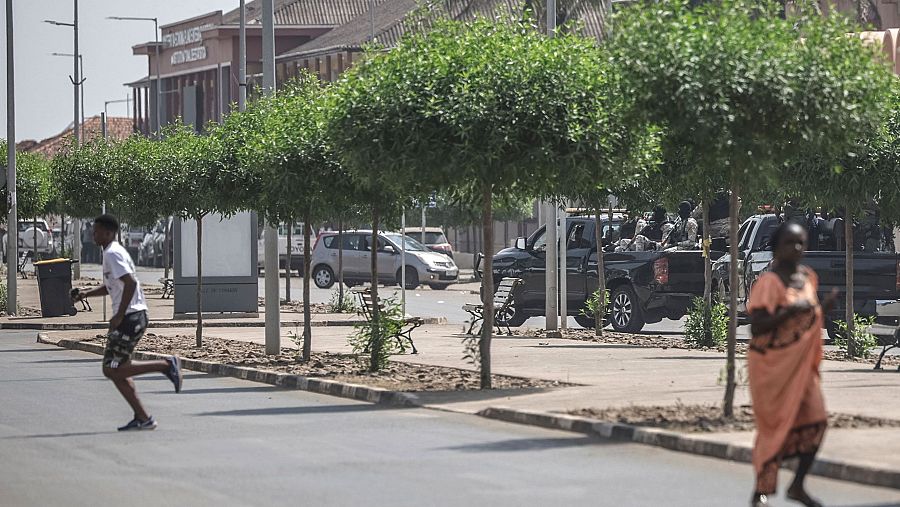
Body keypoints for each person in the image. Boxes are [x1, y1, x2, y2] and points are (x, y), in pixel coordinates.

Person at [746, 222, 836, 507]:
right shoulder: (768, 283)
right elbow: (757, 327)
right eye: (789, 243)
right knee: (774, 426)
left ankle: (797, 485)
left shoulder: (808, 277)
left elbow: (809, 317)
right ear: (776, 247)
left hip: (801, 366)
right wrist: (789, 313)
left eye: (801, 242)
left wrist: (824, 309)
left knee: (816, 421)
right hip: (771, 366)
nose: (796, 248)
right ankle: (761, 490)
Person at [73, 214, 182, 431]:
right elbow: (113, 286)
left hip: (131, 317)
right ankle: (143, 417)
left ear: (109, 232)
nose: (93, 234)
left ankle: (166, 365)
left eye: (97, 231)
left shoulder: (113, 253)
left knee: (111, 368)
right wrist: (86, 293)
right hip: (132, 316)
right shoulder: (110, 254)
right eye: (93, 231)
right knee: (118, 369)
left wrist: (119, 315)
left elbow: (131, 283)